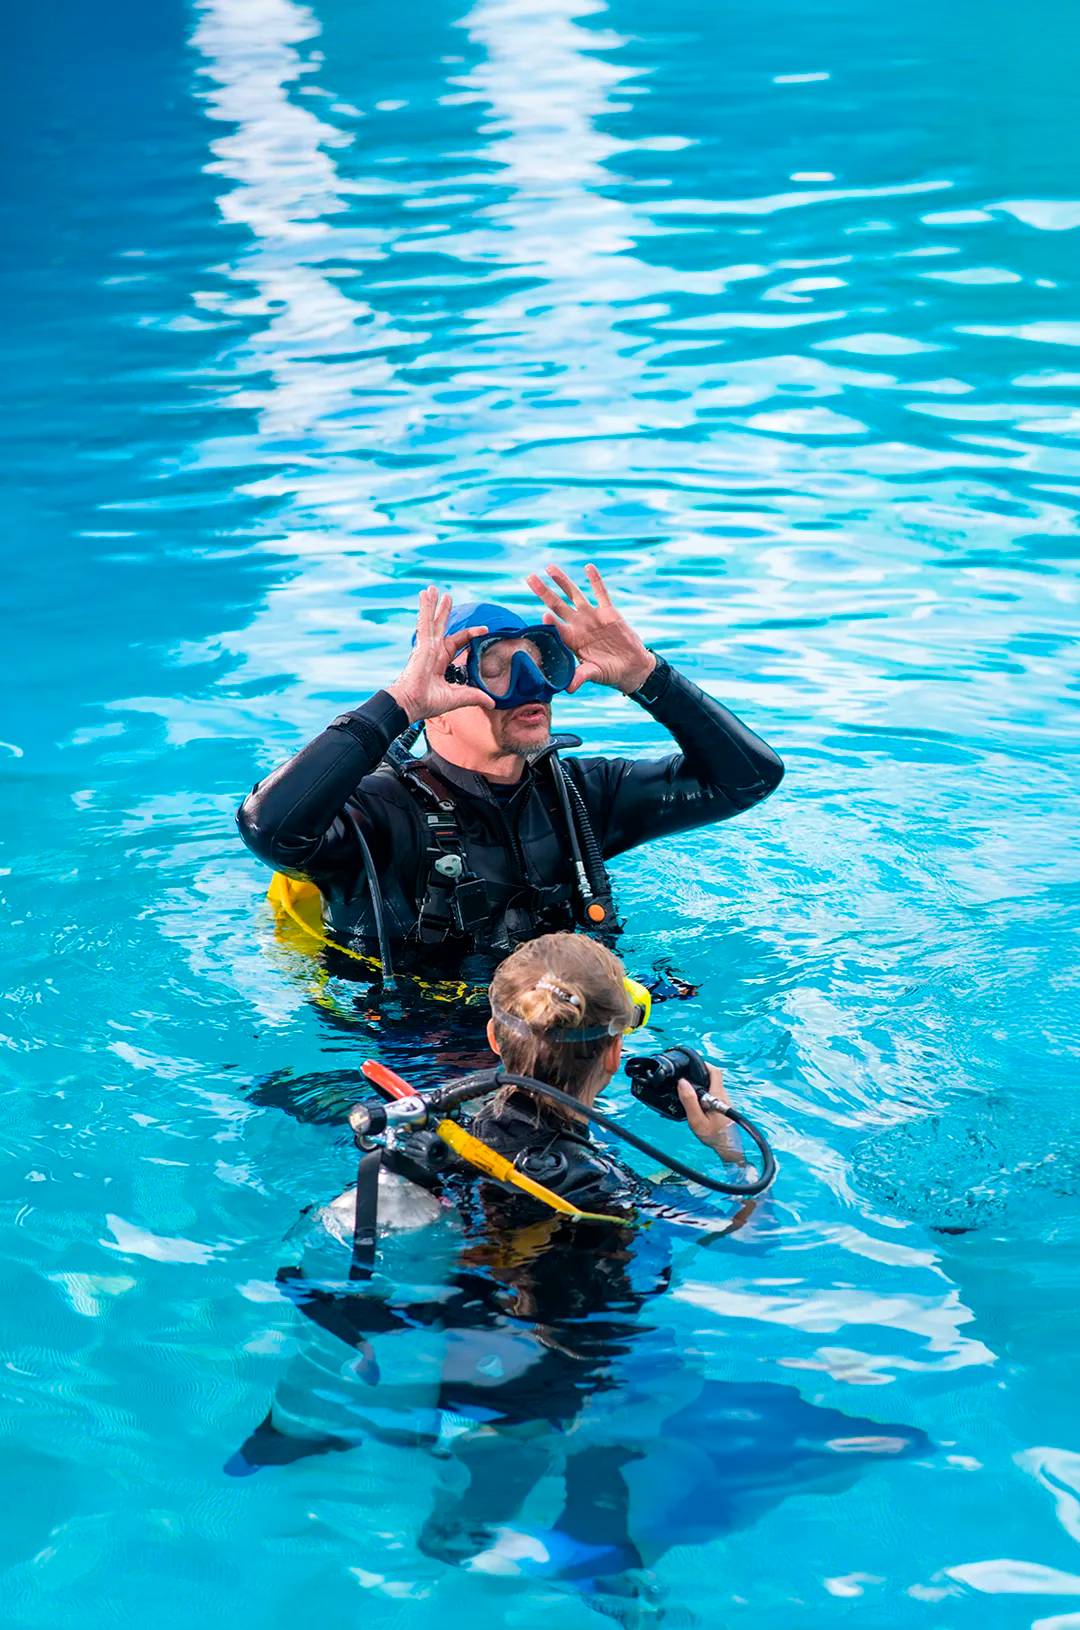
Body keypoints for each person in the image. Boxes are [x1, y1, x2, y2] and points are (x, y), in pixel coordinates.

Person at [228, 934, 929, 1590]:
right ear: (617, 1057)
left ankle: (289, 1437)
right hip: (525, 1348)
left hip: (379, 1289)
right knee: (626, 1380)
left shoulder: (437, 1118)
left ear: (493, 1035)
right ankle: (474, 1539)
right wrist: (729, 1148)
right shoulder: (603, 1188)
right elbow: (750, 1237)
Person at [236, 564, 783, 968]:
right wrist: (397, 702)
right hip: (413, 1054)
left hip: (562, 1037)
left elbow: (749, 777)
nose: (530, 685)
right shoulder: (377, 816)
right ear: (437, 706)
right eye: (494, 669)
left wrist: (647, 675)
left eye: (538, 662)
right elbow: (269, 826)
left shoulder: (580, 798)